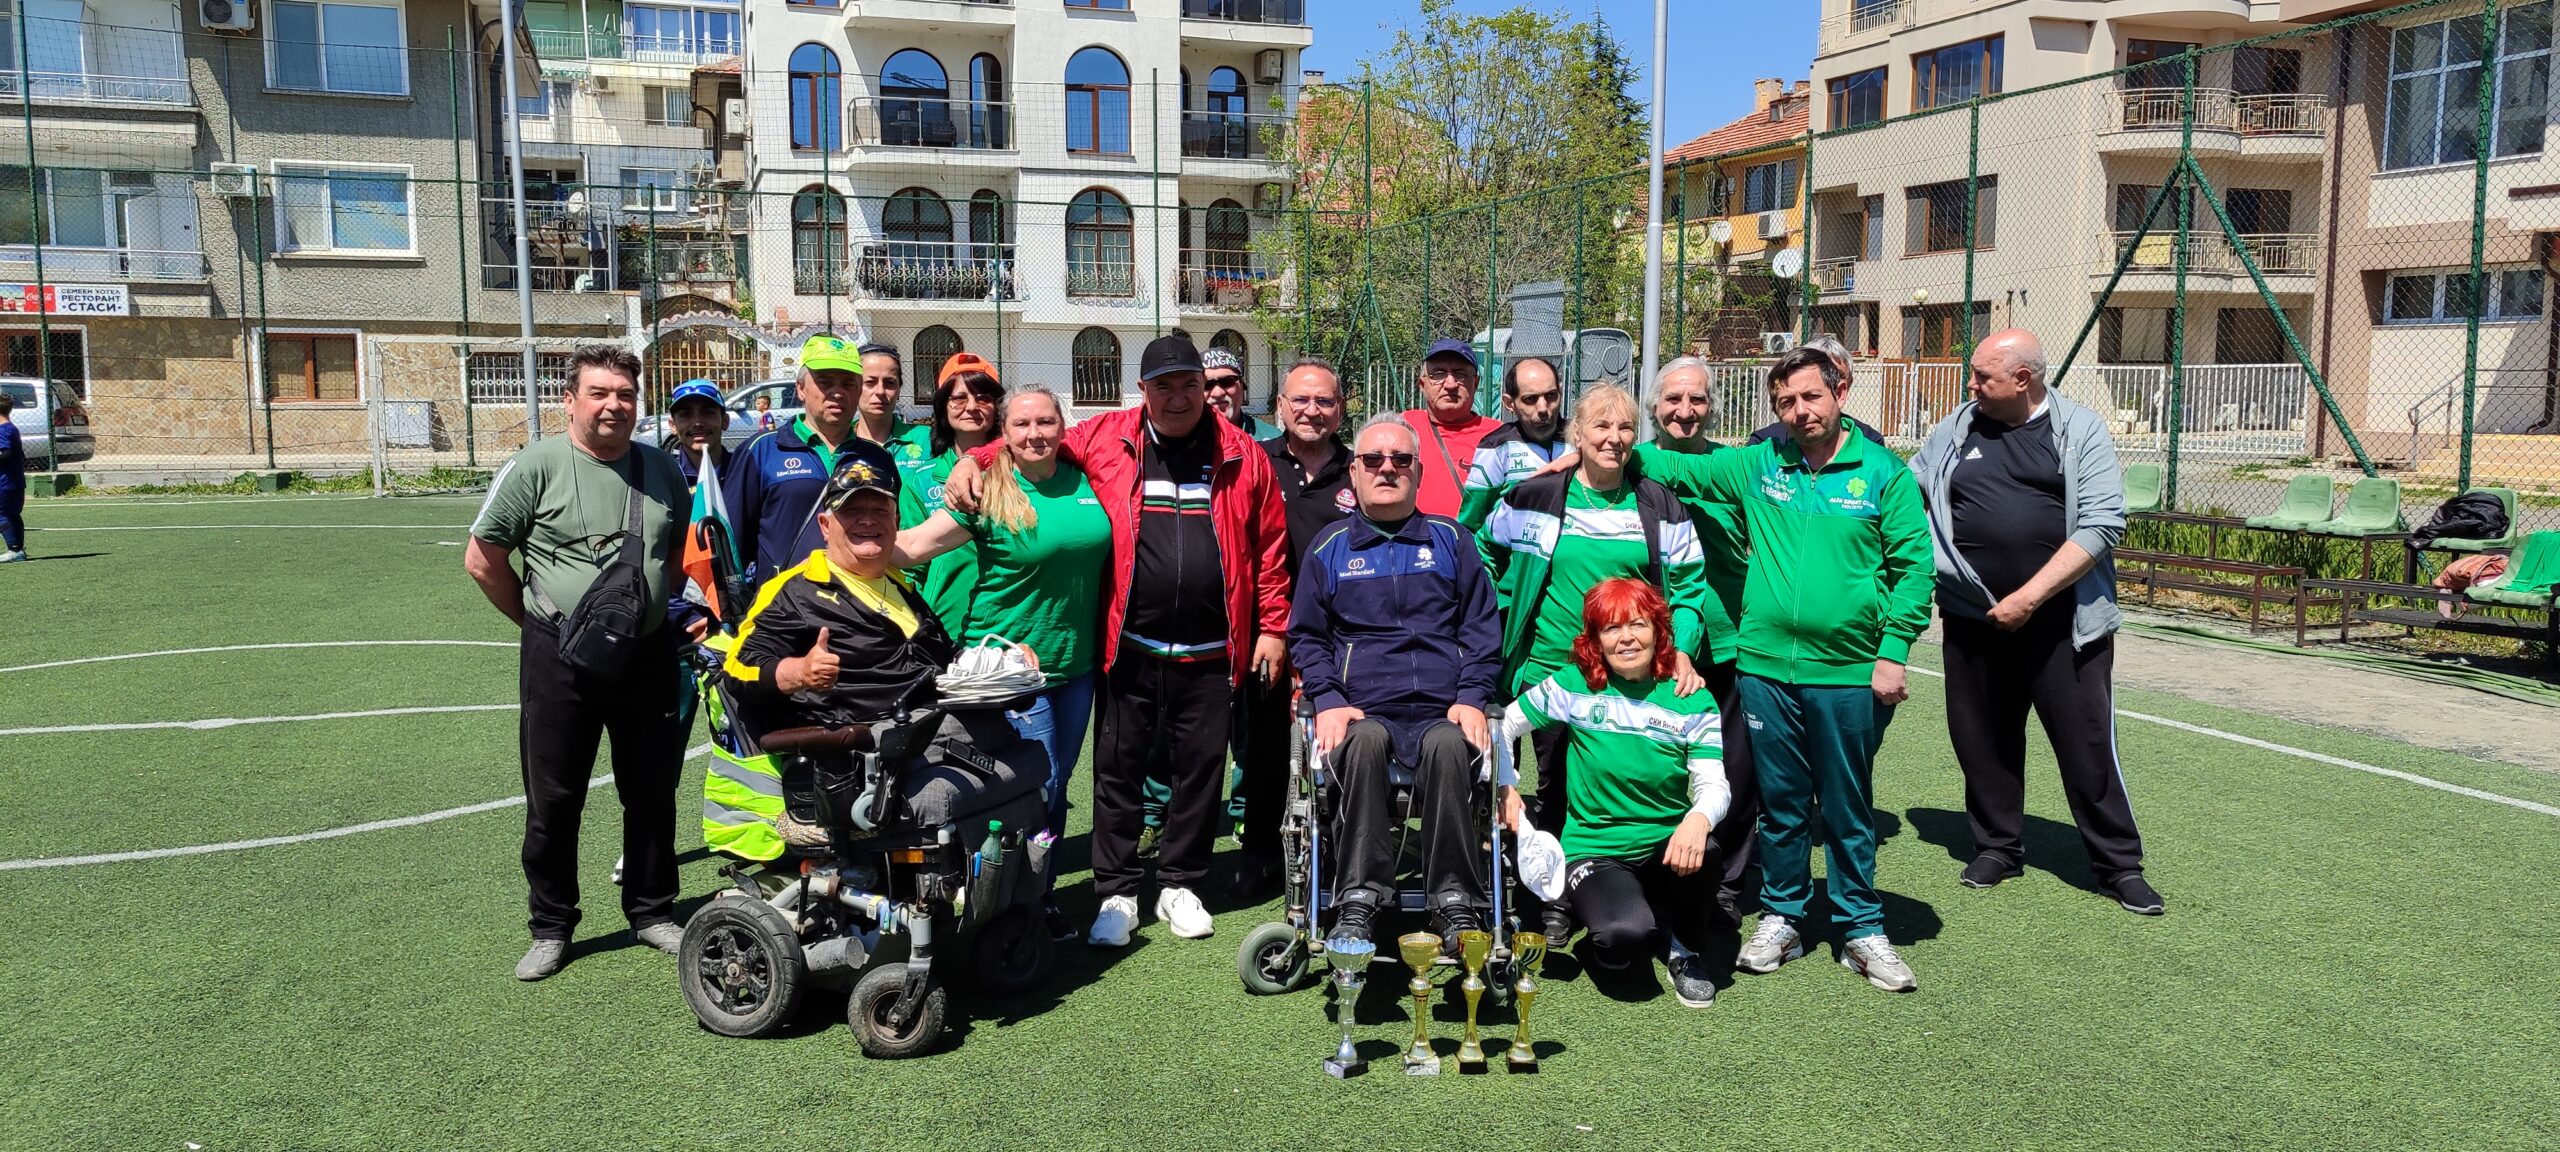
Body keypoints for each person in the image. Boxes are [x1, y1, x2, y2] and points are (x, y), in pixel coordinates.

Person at [941, 332, 1289, 947]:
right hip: (1130, 646)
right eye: (1164, 386)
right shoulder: (1107, 437)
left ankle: (1181, 883)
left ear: (1204, 389)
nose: (1178, 397)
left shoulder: (1243, 453)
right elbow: (1036, 439)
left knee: (1200, 772)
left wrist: (1271, 627)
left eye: (1189, 385)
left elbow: (1269, 549)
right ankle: (1117, 892)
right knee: (1118, 771)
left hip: (1213, 650)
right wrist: (977, 458)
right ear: (1142, 391)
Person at [1628, 346, 1934, 994]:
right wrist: (1589, 450)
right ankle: (1784, 917)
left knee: (1846, 806)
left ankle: (1861, 927)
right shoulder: (1761, 464)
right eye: (1786, 402)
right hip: (1765, 668)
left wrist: (1892, 652)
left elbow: (1914, 570)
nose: (1800, 411)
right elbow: (1673, 464)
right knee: (1783, 806)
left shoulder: (1884, 474)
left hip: (1848, 671)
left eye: (1810, 397)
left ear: (1839, 393)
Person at [1911, 329, 2158, 915]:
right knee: (1982, 738)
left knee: (2086, 744)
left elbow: (2102, 523)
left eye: (1983, 376)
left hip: (2062, 622)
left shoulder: (2079, 429)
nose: (1971, 386)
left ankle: (2119, 865)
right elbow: (1909, 487)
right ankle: (1997, 846)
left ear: (2023, 379)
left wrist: (2029, 597)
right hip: (1972, 617)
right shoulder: (1958, 427)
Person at [464, 345, 691, 982]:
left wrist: (651, 608)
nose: (614, 405)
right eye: (599, 392)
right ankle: (551, 926)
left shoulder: (661, 468)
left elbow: (674, 554)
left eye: (625, 394)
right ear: (569, 401)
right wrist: (543, 625)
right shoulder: (534, 466)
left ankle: (651, 911)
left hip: (645, 653)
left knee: (651, 789)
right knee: (555, 797)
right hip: (558, 658)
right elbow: (482, 560)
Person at [1476, 382, 1715, 943]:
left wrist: (1680, 648)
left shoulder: (1658, 504)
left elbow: (1688, 586)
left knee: (1587, 788)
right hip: (1545, 668)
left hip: (1625, 676)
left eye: (1625, 427)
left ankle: (1583, 893)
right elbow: (1482, 549)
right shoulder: (1535, 495)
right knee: (1544, 784)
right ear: (1576, 435)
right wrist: (1493, 615)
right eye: (1601, 427)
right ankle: (1545, 898)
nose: (1614, 438)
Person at [1292, 415, 1512, 951]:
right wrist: (1328, 698)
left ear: (1419, 471)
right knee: (1363, 742)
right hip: (1361, 709)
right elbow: (1307, 637)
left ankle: (1455, 901)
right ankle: (1358, 898)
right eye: (1372, 459)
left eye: (1400, 459)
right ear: (1354, 472)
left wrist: (1471, 697)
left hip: (1443, 709)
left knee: (1449, 746)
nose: (1386, 468)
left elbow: (1482, 631)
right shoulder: (1329, 547)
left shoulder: (1452, 541)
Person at [895, 387, 1110, 938]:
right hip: (1009, 672)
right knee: (1037, 785)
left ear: (1063, 426)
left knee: (1057, 786)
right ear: (1005, 434)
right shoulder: (988, 488)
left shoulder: (1086, 478)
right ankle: (1017, 900)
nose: (1035, 433)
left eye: (1046, 422)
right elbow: (916, 545)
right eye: (1022, 424)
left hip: (1074, 668)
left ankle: (1034, 891)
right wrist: (847, 549)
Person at [1504, 578, 1727, 1007]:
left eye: (1638, 624)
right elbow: (1502, 726)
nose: (1626, 638)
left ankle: (1684, 948)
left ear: (1659, 631)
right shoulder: (1575, 684)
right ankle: (1620, 929)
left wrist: (1698, 819)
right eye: (1611, 628)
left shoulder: (1691, 697)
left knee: (1709, 848)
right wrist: (1505, 784)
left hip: (1664, 845)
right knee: (1623, 939)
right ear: (1595, 639)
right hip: (1596, 848)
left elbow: (1714, 784)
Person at [725, 441, 960, 849]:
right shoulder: (796, 591)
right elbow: (737, 669)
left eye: (879, 510)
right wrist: (799, 672)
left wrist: (1000, 659)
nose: (867, 520)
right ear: (825, 525)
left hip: (924, 734)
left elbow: (944, 656)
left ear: (896, 520)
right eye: (852, 510)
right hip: (863, 754)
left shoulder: (900, 585)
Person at [1637, 357, 1758, 921]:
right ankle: (1648, 874)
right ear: (1654, 407)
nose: (1685, 410)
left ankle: (1727, 885)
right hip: (1650, 648)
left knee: (1733, 767)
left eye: (1698, 399)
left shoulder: (1732, 468)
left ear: (1712, 407)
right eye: (1673, 399)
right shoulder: (1628, 466)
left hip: (1726, 644)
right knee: (1655, 764)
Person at [1231, 356, 1355, 897]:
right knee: (1264, 747)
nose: (1311, 410)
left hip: (1340, 637)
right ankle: (1260, 848)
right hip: (1268, 632)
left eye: (1324, 400)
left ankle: (1338, 851)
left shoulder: (1358, 470)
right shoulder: (1253, 462)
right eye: (1300, 400)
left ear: (1340, 409)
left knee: (1337, 744)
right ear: (1279, 406)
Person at [725, 335, 871, 585]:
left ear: (858, 391)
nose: (837, 392)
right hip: (783, 603)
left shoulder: (877, 459)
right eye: (825, 382)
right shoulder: (760, 451)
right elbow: (731, 543)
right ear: (801, 389)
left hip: (858, 601)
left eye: (848, 383)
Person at [897, 352, 1004, 629]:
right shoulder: (919, 480)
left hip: (1008, 624)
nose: (972, 407)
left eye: (983, 398)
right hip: (946, 629)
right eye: (959, 398)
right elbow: (911, 570)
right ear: (943, 406)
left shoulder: (1018, 472)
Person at [1457, 355, 1569, 529]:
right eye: (1530, 399)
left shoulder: (1583, 440)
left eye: (1551, 396)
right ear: (1509, 403)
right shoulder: (1496, 448)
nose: (1543, 408)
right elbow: (1470, 524)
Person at [1400, 337, 1503, 520]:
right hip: (1416, 537)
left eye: (1460, 374)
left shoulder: (1500, 436)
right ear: (1422, 385)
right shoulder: (1401, 428)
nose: (1450, 384)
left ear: (1476, 383)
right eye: (1438, 374)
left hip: (1477, 538)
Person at [1748, 334, 1883, 448]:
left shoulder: (1869, 443)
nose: (1830, 381)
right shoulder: (1766, 444)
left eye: (1838, 375)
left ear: (1844, 388)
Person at [854, 343, 933, 469]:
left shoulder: (927, 439)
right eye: (870, 382)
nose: (880, 391)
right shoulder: (839, 442)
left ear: (899, 388)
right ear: (854, 386)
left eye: (889, 382)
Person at [663, 378, 731, 490]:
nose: (697, 423)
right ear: (673, 425)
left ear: (725, 421)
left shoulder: (743, 472)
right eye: (686, 414)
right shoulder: (663, 477)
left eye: (707, 412)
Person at [1204, 347, 1280, 441]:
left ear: (1242, 385)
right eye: (1207, 385)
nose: (1218, 393)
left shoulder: (1273, 440)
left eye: (1227, 381)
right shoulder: (1187, 442)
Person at [0, 389, 24, 563]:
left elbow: (5, 453)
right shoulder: (11, 428)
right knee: (13, 515)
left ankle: (14, 549)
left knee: (3, 515)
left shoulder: (3, 430)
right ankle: (17, 550)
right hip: (14, 480)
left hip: (5, 482)